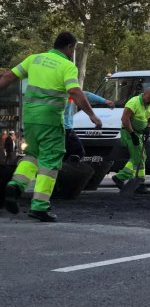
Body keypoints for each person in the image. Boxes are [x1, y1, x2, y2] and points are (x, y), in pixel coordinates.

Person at [0, 32, 102, 221]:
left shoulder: (34, 59)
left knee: (33, 155)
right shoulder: (67, 66)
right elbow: (74, 90)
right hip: (50, 120)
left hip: (29, 118)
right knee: (50, 161)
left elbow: (8, 77)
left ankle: (16, 184)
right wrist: (92, 115)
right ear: (70, 47)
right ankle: (39, 206)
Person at [112, 87, 150, 195]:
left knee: (141, 157)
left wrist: (149, 128)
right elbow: (124, 119)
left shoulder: (149, 104)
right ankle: (123, 178)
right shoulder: (134, 102)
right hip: (128, 133)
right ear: (144, 94)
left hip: (138, 134)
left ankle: (138, 183)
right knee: (138, 157)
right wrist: (132, 134)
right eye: (149, 98)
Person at [64, 92, 114, 160]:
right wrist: (92, 115)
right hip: (64, 127)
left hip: (50, 126)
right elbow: (82, 95)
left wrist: (104, 101)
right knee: (77, 153)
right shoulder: (68, 88)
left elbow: (83, 95)